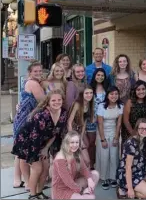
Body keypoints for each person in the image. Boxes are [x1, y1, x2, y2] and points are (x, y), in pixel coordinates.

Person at [12, 90, 68, 199]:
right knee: (37, 168)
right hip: (27, 142)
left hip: (42, 143)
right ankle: (32, 195)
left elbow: (55, 133)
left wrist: (46, 148)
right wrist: (36, 156)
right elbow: (34, 137)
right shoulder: (41, 115)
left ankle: (39, 192)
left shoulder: (63, 113)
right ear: (48, 102)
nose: (57, 102)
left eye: (59, 100)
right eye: (53, 100)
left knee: (46, 168)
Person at [13, 61, 45, 190]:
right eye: (35, 71)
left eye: (40, 71)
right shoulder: (32, 83)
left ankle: (24, 180)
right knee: (23, 153)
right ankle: (27, 181)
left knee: (21, 152)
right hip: (25, 121)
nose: (38, 73)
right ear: (30, 73)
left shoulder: (33, 82)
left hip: (25, 119)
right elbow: (44, 101)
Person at [116, 118, 146, 199]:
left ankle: (137, 187)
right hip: (127, 174)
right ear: (137, 129)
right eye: (141, 128)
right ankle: (123, 190)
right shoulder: (131, 143)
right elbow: (128, 168)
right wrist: (131, 189)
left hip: (139, 171)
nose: (144, 130)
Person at [52, 131, 100, 199]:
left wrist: (89, 180)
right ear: (66, 143)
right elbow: (68, 182)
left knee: (95, 174)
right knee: (91, 197)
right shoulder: (60, 159)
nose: (75, 145)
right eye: (72, 142)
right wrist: (80, 190)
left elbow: (84, 169)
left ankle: (85, 193)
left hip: (73, 182)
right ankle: (82, 195)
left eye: (77, 142)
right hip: (62, 189)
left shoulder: (75, 152)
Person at [96, 86, 123, 190]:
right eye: (111, 94)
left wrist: (116, 137)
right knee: (104, 155)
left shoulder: (120, 106)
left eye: (116, 94)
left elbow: (119, 123)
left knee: (114, 155)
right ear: (107, 95)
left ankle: (113, 177)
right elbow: (100, 124)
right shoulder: (101, 106)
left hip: (114, 131)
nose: (114, 96)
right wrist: (103, 139)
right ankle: (104, 178)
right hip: (103, 133)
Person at [67, 87, 94, 167]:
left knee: (86, 144)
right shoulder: (77, 104)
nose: (89, 95)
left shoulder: (89, 104)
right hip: (72, 131)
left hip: (80, 130)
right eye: (86, 93)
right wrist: (73, 138)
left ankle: (81, 167)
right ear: (82, 94)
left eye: (91, 93)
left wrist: (81, 136)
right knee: (77, 150)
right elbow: (69, 122)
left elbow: (84, 122)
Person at [89, 68, 109, 168]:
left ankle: (103, 165)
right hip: (92, 119)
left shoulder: (107, 88)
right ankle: (91, 164)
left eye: (102, 75)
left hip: (104, 119)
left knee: (103, 141)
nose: (100, 77)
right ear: (94, 76)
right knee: (91, 143)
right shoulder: (90, 88)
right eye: (98, 75)